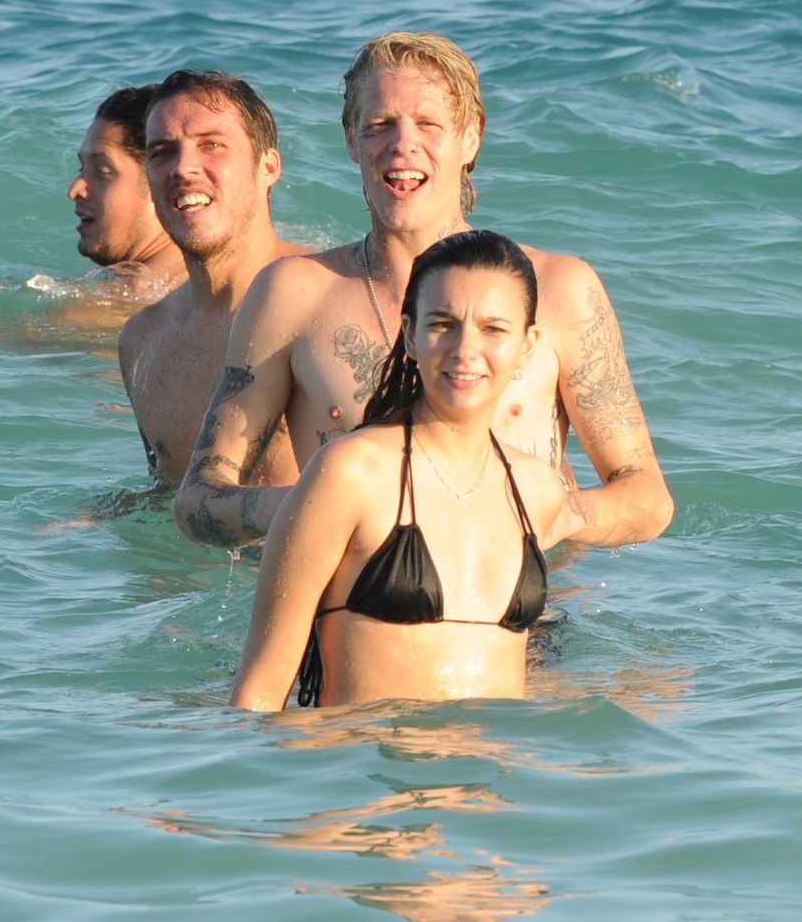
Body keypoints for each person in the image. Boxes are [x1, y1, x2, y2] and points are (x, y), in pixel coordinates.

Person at [175, 31, 672, 549]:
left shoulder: (558, 290)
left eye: (428, 124)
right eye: (379, 126)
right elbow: (198, 501)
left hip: (524, 597)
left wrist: (551, 513)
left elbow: (647, 498)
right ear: (350, 140)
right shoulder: (293, 295)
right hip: (355, 596)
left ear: (471, 137)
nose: (402, 144)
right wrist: (328, 503)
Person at [231, 230, 575, 710]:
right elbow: (258, 693)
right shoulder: (351, 474)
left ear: (527, 345)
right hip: (365, 757)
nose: (465, 349)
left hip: (499, 758)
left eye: (493, 329)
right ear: (410, 335)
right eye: (443, 324)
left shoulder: (537, 491)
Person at [117, 70, 311, 486]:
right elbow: (166, 495)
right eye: (162, 152)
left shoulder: (337, 295)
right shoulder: (142, 341)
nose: (183, 168)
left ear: (268, 167)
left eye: (211, 145)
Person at [63, 85, 186, 311]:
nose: (74, 190)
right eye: (82, 168)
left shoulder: (130, 301)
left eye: (102, 171)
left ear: (159, 182)